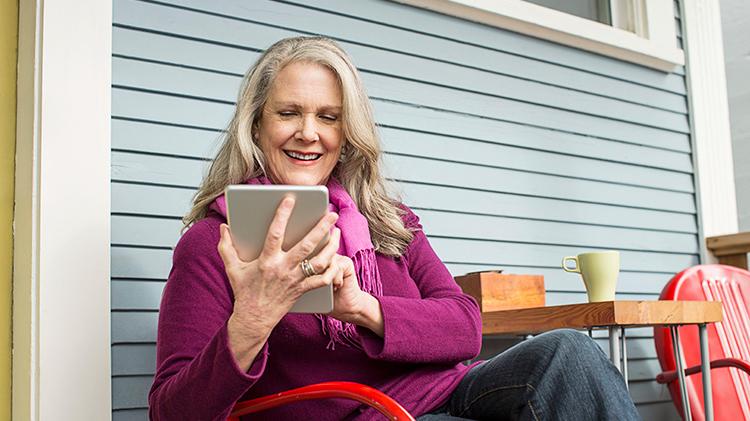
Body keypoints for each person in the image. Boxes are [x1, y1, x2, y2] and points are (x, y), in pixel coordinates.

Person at [148, 36, 639, 420]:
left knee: (570, 353)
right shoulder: (215, 244)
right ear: (257, 126)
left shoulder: (388, 221)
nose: (308, 132)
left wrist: (362, 308)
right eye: (289, 113)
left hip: (449, 390)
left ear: (347, 132)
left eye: (328, 117)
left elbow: (465, 327)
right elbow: (172, 412)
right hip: (365, 414)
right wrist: (252, 319)